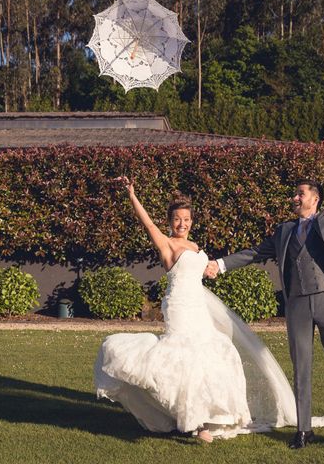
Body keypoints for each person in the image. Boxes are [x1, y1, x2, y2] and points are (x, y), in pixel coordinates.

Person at [205, 128, 324, 452]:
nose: (295, 198)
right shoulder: (283, 231)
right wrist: (219, 264)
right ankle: (304, 431)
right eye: (295, 194)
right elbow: (253, 253)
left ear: (314, 199)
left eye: (300, 194)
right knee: (301, 367)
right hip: (298, 305)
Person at [94, 177, 299, 442]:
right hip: (179, 306)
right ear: (170, 221)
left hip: (198, 306)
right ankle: (194, 422)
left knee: (211, 354)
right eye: (177, 219)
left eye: (187, 219)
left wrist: (211, 268)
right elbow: (147, 223)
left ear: (192, 221)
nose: (182, 224)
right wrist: (132, 195)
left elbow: (199, 269)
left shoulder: (195, 245)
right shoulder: (167, 244)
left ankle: (208, 416)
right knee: (183, 359)